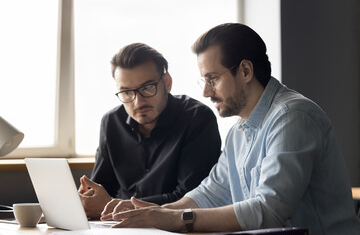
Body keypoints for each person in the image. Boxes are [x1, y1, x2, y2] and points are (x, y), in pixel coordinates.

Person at [100, 23, 360, 235]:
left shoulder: (292, 117)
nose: (205, 91)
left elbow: (268, 212)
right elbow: (211, 192)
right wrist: (157, 213)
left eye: (212, 79)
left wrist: (172, 219)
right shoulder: (240, 131)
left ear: (245, 71)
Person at [78, 43, 221, 218]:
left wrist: (118, 207)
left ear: (167, 83)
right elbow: (100, 189)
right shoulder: (111, 122)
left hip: (173, 228)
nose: (138, 102)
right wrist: (88, 199)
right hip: (116, 225)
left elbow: (191, 198)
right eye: (126, 92)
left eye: (147, 88)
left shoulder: (197, 118)